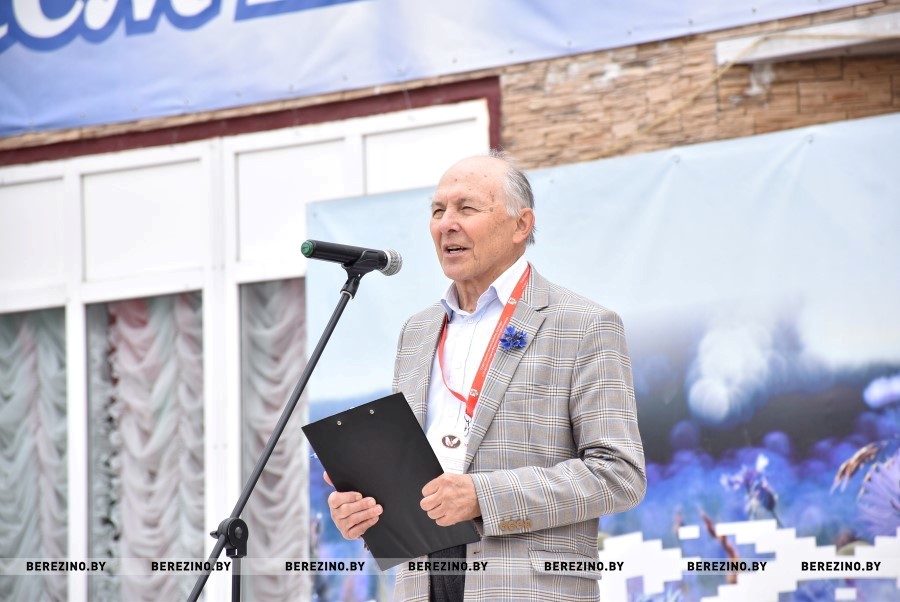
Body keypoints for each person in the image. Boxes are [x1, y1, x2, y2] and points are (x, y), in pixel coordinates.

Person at [325, 151, 646, 601]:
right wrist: (365, 510)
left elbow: (618, 475)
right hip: (421, 581)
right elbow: (412, 472)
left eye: (466, 208)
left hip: (526, 587)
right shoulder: (416, 333)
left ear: (521, 224)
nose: (446, 224)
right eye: (438, 210)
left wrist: (483, 496)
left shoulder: (583, 325)